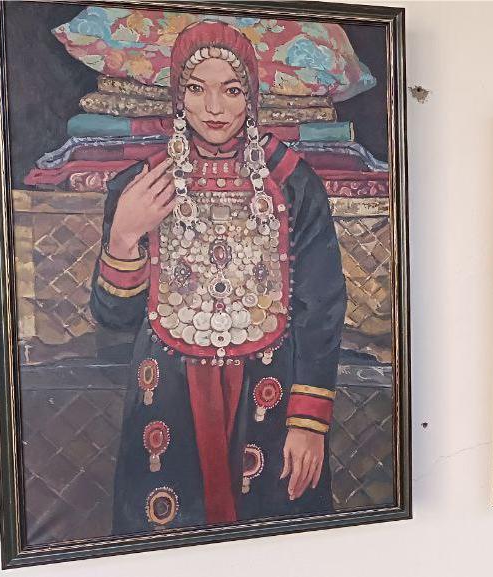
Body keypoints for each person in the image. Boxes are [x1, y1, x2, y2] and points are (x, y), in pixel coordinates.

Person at [91, 20, 346, 533]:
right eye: (196, 88)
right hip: (167, 393)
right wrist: (123, 238)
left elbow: (321, 305)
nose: (214, 107)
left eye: (230, 91)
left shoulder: (293, 183)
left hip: (270, 394)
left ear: (250, 98)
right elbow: (114, 320)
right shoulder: (141, 186)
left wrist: (309, 422)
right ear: (177, 97)